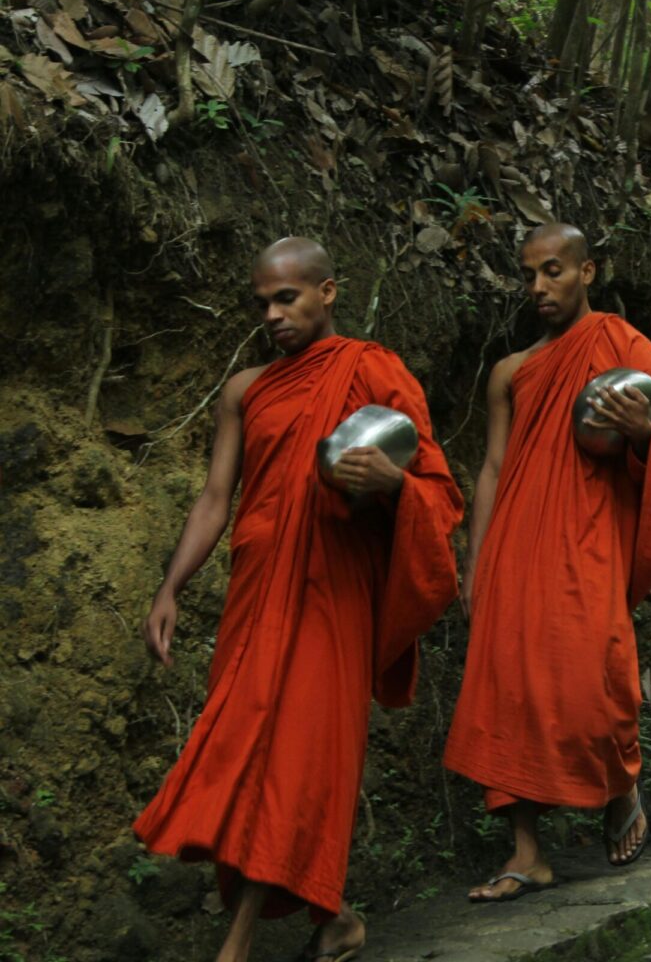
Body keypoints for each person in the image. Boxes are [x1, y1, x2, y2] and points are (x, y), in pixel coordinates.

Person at [133, 238, 464, 962]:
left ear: (328, 292)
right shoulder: (245, 389)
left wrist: (394, 486)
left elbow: (437, 491)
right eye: (262, 304)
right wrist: (170, 587)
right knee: (246, 749)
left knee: (298, 757)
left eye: (287, 298)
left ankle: (238, 945)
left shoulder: (373, 371)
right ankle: (337, 919)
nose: (273, 315)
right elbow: (216, 498)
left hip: (334, 592)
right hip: (258, 595)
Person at [444, 224, 651, 900]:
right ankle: (527, 852)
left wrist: (641, 435)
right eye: (530, 275)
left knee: (594, 679)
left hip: (590, 539)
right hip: (516, 544)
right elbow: (493, 466)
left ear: (588, 271)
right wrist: (476, 558)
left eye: (553, 271)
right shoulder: (512, 370)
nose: (539, 288)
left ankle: (619, 787)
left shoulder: (627, 349)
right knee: (506, 693)